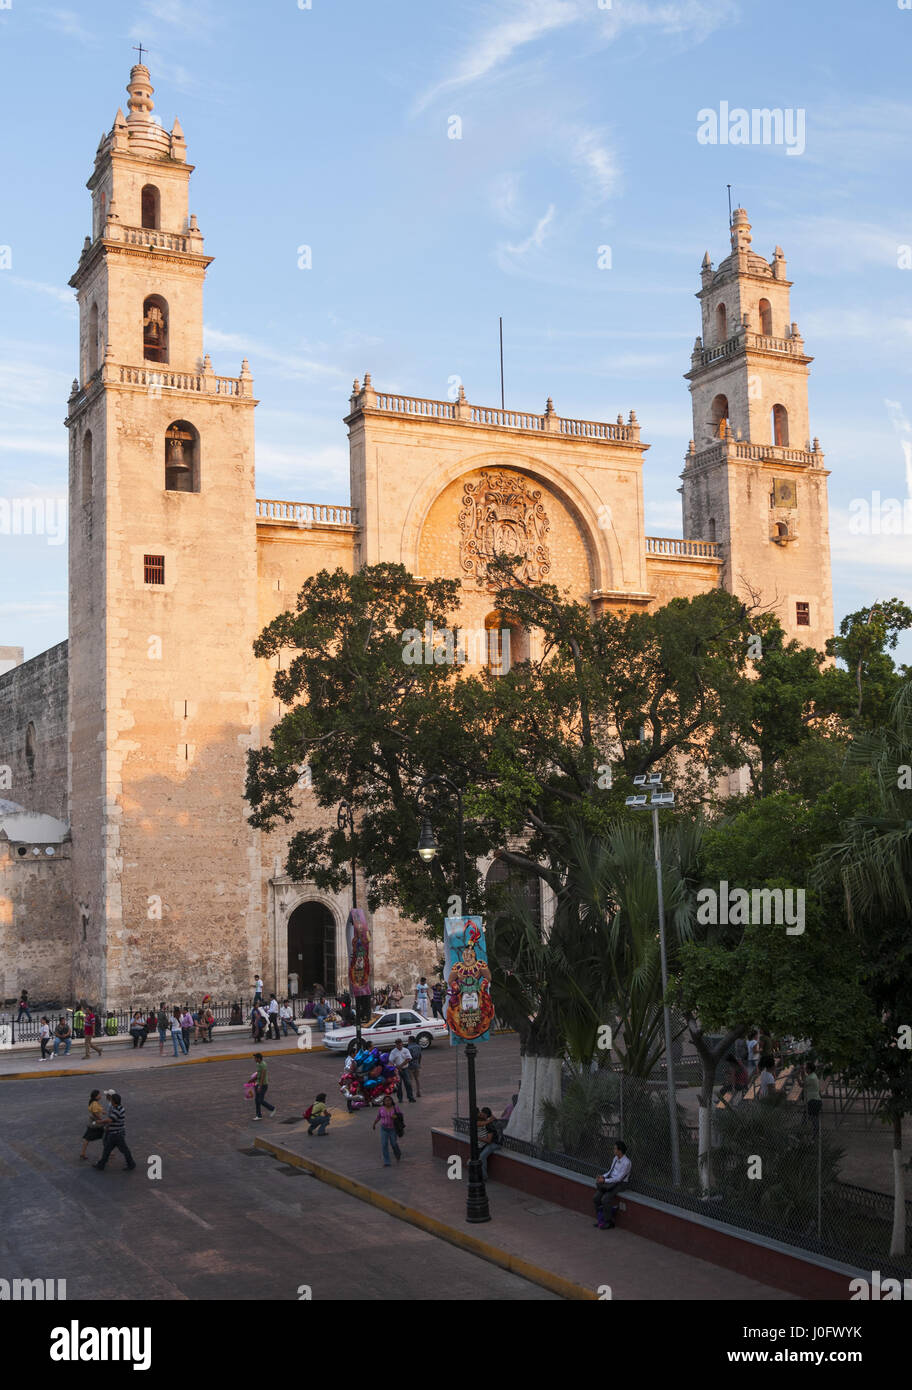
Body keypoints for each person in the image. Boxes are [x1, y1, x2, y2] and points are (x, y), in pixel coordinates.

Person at [93, 1092, 136, 1171]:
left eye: (112, 1100)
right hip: (116, 1133)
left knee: (122, 1150)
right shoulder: (120, 1108)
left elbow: (110, 1119)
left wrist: (100, 1122)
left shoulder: (117, 1110)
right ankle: (101, 1164)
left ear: (114, 1101)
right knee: (108, 1149)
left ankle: (131, 1164)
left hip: (116, 1134)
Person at [593, 1141, 632, 1229]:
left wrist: (605, 1180)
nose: (613, 1150)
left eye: (615, 1148)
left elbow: (619, 1178)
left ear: (620, 1151)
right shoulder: (615, 1158)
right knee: (596, 1198)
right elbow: (610, 1171)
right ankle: (600, 1219)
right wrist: (602, 1177)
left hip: (620, 1184)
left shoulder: (627, 1163)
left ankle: (609, 1222)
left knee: (605, 1199)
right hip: (610, 1182)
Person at [372, 1093, 403, 1166]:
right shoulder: (381, 1109)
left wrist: (396, 1117)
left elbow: (400, 1116)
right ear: (384, 1102)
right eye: (386, 1101)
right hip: (384, 1129)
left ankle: (397, 1153)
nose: (387, 1102)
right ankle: (387, 1161)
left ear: (391, 1101)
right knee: (384, 1144)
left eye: (389, 1100)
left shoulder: (395, 1108)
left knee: (393, 1143)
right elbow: (378, 1117)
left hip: (393, 1129)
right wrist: (374, 1124)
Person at [80, 1088, 108, 1160]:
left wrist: (102, 1112)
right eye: (99, 1094)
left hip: (93, 1122)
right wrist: (101, 1120)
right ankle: (108, 1152)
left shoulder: (93, 1102)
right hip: (96, 1123)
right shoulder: (95, 1103)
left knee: (88, 1138)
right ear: (96, 1096)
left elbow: (95, 1111)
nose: (100, 1096)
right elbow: (95, 1113)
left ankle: (82, 1153)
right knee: (105, 1136)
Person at [476, 1107, 501, 1181]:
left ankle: (484, 1176)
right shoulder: (487, 1122)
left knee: (482, 1156)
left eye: (482, 1113)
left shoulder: (489, 1125)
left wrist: (478, 1138)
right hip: (490, 1143)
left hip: (494, 1144)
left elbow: (489, 1140)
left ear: (485, 1115)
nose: (480, 1114)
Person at [251, 1052, 276, 1120]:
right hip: (258, 1083)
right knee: (256, 1100)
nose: (254, 1059)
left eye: (255, 1058)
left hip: (263, 1085)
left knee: (260, 1100)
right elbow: (258, 1074)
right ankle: (259, 1115)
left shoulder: (263, 1065)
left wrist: (260, 1086)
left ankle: (272, 1108)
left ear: (258, 1058)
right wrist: (253, 1080)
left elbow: (262, 1076)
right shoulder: (258, 1064)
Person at [803, 1061, 822, 1137]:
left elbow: (802, 1084)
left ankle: (814, 1135)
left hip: (812, 1101)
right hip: (815, 1100)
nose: (805, 1070)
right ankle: (815, 1135)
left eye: (806, 1068)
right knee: (812, 1118)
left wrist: (797, 1076)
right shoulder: (813, 1076)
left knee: (809, 1118)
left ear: (809, 1069)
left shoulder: (810, 1077)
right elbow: (805, 1080)